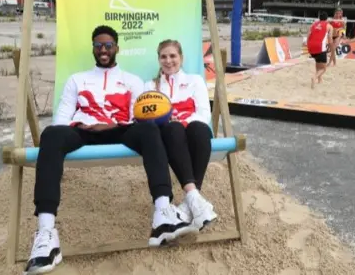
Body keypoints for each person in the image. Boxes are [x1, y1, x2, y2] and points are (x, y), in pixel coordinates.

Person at [23, 25, 198, 275]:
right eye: (98, 45)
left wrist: (117, 123)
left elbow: (143, 116)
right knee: (51, 135)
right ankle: (46, 234)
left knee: (150, 129)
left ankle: (162, 213)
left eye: (108, 45)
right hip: (84, 130)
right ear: (93, 49)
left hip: (121, 129)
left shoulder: (131, 81)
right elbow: (61, 119)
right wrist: (81, 125)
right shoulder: (77, 79)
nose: (103, 50)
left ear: (117, 48)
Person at [144, 39, 218, 230]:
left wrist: (182, 121)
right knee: (173, 129)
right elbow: (145, 118)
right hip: (168, 135)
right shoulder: (150, 86)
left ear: (181, 58)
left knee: (201, 129)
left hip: (193, 133)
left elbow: (204, 114)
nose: (168, 61)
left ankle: (189, 202)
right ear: (158, 59)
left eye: (173, 56)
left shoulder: (194, 81)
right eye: (163, 56)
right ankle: (195, 200)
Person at [306, 12, 334, 88]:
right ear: (327, 19)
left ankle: (319, 80)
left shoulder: (313, 24)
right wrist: (331, 49)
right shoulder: (329, 26)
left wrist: (307, 45)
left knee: (318, 62)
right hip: (320, 47)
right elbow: (330, 39)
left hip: (310, 46)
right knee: (324, 68)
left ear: (319, 18)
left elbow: (308, 35)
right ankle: (314, 77)